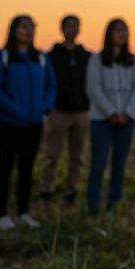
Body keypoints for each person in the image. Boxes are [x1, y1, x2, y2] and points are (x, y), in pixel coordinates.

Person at [0, 15, 57, 230]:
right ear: (14, 30)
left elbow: (51, 86)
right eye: (24, 27)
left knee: (27, 169)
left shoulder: (40, 58)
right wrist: (14, 110)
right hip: (9, 124)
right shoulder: (2, 57)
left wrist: (43, 108)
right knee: (6, 167)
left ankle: (23, 212)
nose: (29, 31)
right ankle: (1, 214)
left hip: (34, 124)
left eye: (32, 27)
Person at [85, 18, 135, 213]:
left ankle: (113, 205)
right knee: (99, 164)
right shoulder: (96, 60)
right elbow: (94, 89)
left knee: (119, 164)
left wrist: (126, 113)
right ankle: (93, 205)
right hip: (101, 120)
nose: (122, 34)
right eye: (118, 30)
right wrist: (111, 113)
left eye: (125, 30)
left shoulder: (134, 61)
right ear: (109, 34)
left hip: (127, 120)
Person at [40, 14, 91, 203]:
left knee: (77, 156)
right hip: (58, 111)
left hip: (81, 112)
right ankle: (46, 189)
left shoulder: (86, 56)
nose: (73, 29)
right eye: (69, 26)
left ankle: (72, 190)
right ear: (62, 29)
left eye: (76, 26)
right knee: (51, 154)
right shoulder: (52, 56)